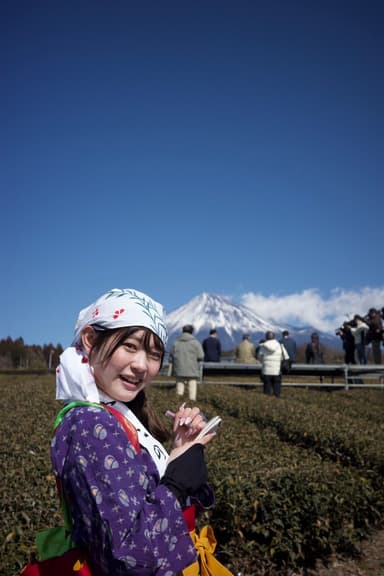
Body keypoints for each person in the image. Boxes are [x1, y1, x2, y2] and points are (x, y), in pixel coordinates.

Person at [44, 289, 216, 576]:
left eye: (154, 354)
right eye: (130, 346)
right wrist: (175, 483)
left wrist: (179, 451)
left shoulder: (118, 415)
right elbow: (131, 556)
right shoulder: (90, 424)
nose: (141, 365)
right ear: (90, 339)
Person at [170, 324, 204, 401]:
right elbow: (201, 356)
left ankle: (178, 402)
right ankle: (192, 402)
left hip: (179, 369)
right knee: (192, 386)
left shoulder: (176, 342)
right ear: (192, 332)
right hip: (192, 369)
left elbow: (171, 354)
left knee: (179, 386)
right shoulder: (195, 343)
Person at [256, 331, 289, 397]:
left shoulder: (263, 346)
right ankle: (277, 400)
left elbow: (259, 357)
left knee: (267, 390)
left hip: (266, 371)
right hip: (277, 371)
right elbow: (286, 357)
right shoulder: (280, 345)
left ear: (266, 337)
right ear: (274, 337)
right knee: (277, 389)